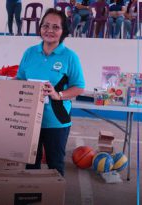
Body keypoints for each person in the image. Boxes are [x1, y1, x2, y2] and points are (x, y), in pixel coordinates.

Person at [17, 8, 85, 176]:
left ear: (63, 31)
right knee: (31, 164)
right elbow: (20, 80)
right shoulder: (30, 53)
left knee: (55, 166)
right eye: (46, 26)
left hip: (56, 121)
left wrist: (58, 95)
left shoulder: (70, 57)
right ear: (40, 28)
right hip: (30, 119)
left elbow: (79, 87)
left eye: (56, 27)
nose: (49, 30)